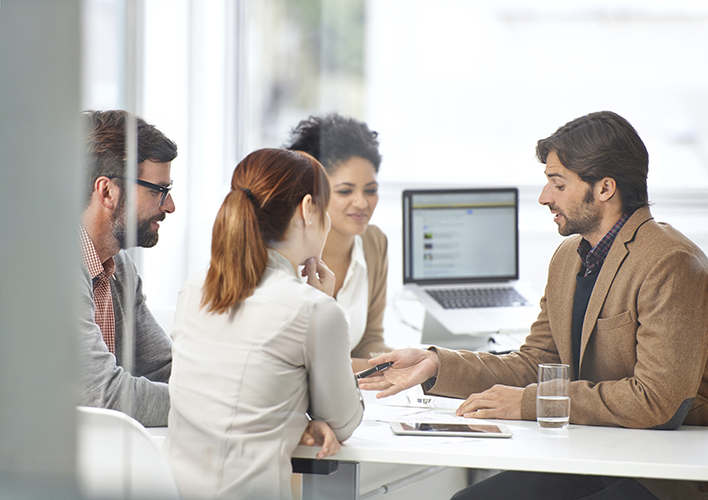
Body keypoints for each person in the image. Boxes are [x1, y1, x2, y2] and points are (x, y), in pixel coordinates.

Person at [360, 111, 708, 500]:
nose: (545, 197)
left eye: (558, 184)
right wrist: (437, 363)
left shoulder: (671, 263)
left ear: (605, 188)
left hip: (659, 469)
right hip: (592, 452)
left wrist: (532, 403)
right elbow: (535, 363)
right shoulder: (568, 258)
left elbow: (656, 401)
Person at [165, 148, 364, 500]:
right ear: (308, 210)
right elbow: (344, 423)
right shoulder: (313, 310)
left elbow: (229, 403)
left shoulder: (195, 288)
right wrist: (327, 302)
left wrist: (295, 420)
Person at [79, 109, 177, 427]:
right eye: (157, 191)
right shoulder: (50, 269)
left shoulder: (119, 268)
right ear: (107, 191)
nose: (169, 206)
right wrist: (208, 409)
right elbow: (104, 396)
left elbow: (165, 367)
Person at [287, 113, 392, 372]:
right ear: (310, 194)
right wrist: (382, 368)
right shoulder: (281, 251)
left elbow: (369, 339)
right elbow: (295, 359)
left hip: (343, 394)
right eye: (346, 191)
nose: (362, 202)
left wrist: (408, 360)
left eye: (371, 190)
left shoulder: (374, 242)